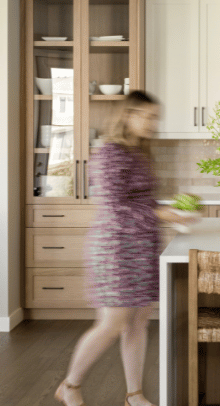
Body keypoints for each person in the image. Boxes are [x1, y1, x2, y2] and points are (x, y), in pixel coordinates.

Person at [56, 91, 194, 406]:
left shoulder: (141, 152)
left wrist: (176, 213)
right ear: (127, 115)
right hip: (115, 249)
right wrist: (162, 214)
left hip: (143, 248)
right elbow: (114, 209)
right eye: (146, 115)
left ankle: (134, 394)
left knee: (138, 322)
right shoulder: (111, 152)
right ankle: (70, 385)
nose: (152, 122)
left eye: (155, 116)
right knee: (112, 322)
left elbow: (144, 202)